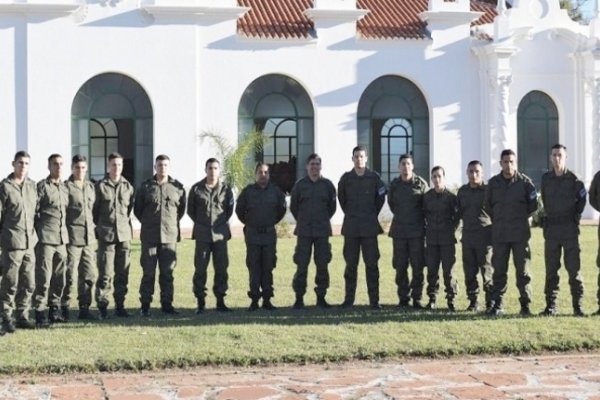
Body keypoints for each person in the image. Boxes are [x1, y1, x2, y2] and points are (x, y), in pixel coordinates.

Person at [485, 149, 537, 316]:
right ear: (500, 163)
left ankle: (525, 305)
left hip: (520, 235)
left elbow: (533, 207)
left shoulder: (526, 183)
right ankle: (498, 304)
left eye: (511, 161)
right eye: (505, 162)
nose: (508, 165)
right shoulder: (493, 183)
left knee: (523, 272)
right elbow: (488, 206)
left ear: (516, 163)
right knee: (499, 270)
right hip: (500, 234)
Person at [134, 155, 186, 317]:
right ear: (155, 167)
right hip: (150, 237)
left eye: (165, 165)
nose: (162, 168)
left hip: (169, 238)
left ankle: (167, 304)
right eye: (159, 165)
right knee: (148, 272)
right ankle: (145, 305)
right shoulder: (145, 187)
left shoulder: (177, 188)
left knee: (167, 273)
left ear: (169, 167)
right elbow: (138, 210)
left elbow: (181, 211)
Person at [539, 145, 586, 316]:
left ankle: (578, 306)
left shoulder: (574, 179)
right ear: (550, 157)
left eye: (560, 155)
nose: (557, 158)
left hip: (569, 230)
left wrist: (574, 217)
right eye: (554, 155)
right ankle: (550, 306)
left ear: (566, 157)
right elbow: (544, 199)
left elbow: (582, 200)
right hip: (552, 230)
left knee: (574, 270)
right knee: (551, 269)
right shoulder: (546, 179)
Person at [337, 145, 386, 309]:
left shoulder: (374, 178)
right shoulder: (345, 179)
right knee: (351, 265)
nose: (359, 159)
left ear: (366, 158)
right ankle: (348, 300)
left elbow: (380, 199)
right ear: (352, 159)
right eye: (356, 156)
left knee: (372, 265)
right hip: (351, 228)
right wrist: (352, 214)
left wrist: (371, 214)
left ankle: (374, 301)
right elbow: (342, 200)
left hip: (369, 228)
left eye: (361, 156)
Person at [235, 163, 286, 311]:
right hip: (253, 235)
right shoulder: (248, 192)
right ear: (255, 174)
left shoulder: (276, 192)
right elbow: (239, 211)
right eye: (260, 172)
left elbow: (281, 211)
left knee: (268, 267)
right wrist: (251, 223)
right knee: (254, 267)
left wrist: (269, 223)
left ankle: (267, 300)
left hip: (269, 235)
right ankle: (254, 300)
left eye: (265, 172)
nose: (263, 175)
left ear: (269, 175)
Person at [290, 153, 337, 309]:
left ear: (321, 166)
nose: (314, 167)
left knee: (322, 265)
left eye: (317, 164)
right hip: (304, 231)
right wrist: (304, 220)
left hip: (322, 231)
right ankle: (299, 298)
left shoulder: (328, 185)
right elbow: (294, 207)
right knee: (301, 265)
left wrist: (321, 220)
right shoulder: (300, 185)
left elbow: (332, 208)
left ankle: (321, 297)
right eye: (312, 164)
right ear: (307, 166)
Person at [187, 158, 234, 313]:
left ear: (219, 170)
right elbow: (190, 211)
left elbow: (229, 210)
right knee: (200, 269)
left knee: (221, 269)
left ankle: (220, 301)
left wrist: (218, 224)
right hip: (202, 235)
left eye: (215, 168)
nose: (212, 171)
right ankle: (200, 302)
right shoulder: (196, 189)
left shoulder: (226, 190)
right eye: (210, 168)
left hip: (220, 235)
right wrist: (203, 223)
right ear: (205, 169)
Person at [93, 152, 135, 319]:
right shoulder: (100, 187)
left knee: (122, 273)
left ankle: (120, 305)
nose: (116, 167)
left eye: (119, 164)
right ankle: (102, 306)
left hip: (124, 236)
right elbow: (94, 211)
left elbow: (130, 208)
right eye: (113, 164)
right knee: (105, 274)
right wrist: (102, 226)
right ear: (108, 166)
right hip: (107, 236)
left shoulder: (128, 187)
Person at [0, 151, 38, 333]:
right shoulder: (5, 187)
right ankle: (6, 316)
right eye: (20, 163)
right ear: (13, 164)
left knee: (29, 282)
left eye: (26, 163)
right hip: (12, 242)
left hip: (29, 242)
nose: (23, 166)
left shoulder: (32, 186)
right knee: (10, 282)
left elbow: (36, 213)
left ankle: (23, 315)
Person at [33, 153, 69, 328]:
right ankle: (40, 312)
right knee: (43, 277)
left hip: (62, 239)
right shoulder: (42, 187)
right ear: (49, 166)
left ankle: (55, 309)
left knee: (59, 277)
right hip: (46, 239)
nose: (59, 167)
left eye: (61, 164)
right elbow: (34, 211)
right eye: (55, 164)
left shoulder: (64, 187)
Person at [387, 154, 428, 309]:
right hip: (399, 232)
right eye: (403, 164)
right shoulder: (395, 185)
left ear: (413, 166)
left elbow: (427, 206)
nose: (405, 167)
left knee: (417, 266)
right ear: (399, 167)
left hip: (417, 232)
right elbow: (391, 205)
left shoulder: (421, 184)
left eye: (408, 163)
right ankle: (403, 298)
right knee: (400, 266)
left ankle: (417, 298)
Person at [63, 155, 97, 320]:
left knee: (89, 275)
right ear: (72, 168)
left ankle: (84, 308)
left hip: (89, 239)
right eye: (77, 167)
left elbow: (94, 212)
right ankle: (64, 307)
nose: (80, 171)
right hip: (72, 239)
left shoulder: (90, 187)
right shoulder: (66, 187)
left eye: (83, 168)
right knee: (68, 274)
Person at [457, 160, 493, 312]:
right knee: (470, 272)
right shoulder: (462, 191)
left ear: (482, 173)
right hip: (468, 237)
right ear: (466, 173)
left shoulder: (488, 191)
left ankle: (491, 302)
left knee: (487, 271)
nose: (474, 175)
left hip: (485, 237)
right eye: (471, 171)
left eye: (477, 171)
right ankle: (473, 302)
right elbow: (458, 213)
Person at [423, 166, 459, 311]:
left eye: (439, 176)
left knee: (448, 272)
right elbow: (423, 214)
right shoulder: (427, 197)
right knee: (432, 270)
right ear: (431, 179)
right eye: (434, 177)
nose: (437, 179)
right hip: (431, 239)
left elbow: (457, 217)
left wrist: (450, 230)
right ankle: (432, 299)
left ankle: (451, 300)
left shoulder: (451, 197)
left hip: (447, 240)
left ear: (444, 177)